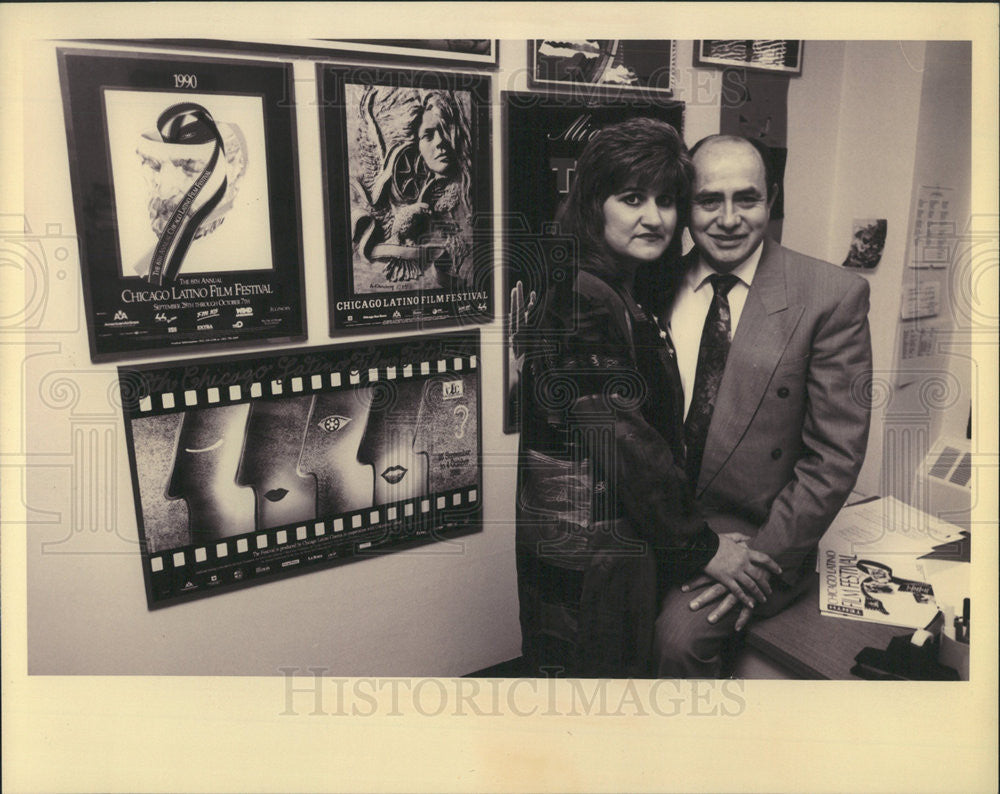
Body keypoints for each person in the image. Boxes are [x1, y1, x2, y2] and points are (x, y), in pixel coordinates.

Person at [515, 118, 780, 678]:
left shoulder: (619, 286)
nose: (654, 217)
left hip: (610, 550)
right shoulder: (579, 297)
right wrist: (703, 546)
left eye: (666, 200)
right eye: (632, 198)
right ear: (594, 203)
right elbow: (625, 446)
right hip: (592, 560)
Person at [653, 134, 873, 677]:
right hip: (656, 519)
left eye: (746, 200)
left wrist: (762, 562)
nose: (728, 219)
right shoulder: (651, 281)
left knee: (677, 642)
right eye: (709, 201)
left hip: (753, 532)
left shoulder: (831, 294)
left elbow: (834, 456)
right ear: (686, 205)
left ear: (771, 201)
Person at [350, 88, 474, 287]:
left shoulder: (463, 192)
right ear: (415, 147)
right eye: (428, 135)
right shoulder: (392, 194)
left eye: (444, 132)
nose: (441, 142)